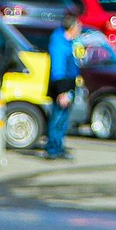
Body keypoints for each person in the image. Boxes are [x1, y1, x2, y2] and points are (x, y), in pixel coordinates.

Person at [45, 9, 87, 159]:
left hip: (69, 83)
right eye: (79, 27)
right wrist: (62, 91)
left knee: (63, 118)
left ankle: (58, 145)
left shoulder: (70, 42)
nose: (80, 30)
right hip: (61, 85)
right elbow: (58, 69)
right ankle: (53, 148)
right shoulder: (59, 43)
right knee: (58, 117)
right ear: (72, 27)